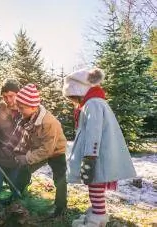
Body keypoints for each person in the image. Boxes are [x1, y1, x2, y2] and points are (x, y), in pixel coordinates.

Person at [62, 68, 136, 227]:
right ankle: (97, 211)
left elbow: (94, 132)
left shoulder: (92, 104)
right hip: (97, 153)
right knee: (95, 184)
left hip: (97, 155)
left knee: (95, 183)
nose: (73, 101)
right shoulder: (93, 102)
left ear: (78, 91)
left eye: (72, 97)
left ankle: (98, 216)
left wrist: (90, 157)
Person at [6, 83, 68, 217]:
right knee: (24, 170)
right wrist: (15, 149)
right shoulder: (27, 117)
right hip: (38, 149)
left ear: (33, 107)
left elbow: (47, 150)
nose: (19, 110)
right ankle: (17, 196)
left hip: (56, 151)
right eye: (18, 107)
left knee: (60, 178)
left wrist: (27, 158)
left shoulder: (49, 123)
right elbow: (22, 136)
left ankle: (60, 207)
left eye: (22, 108)